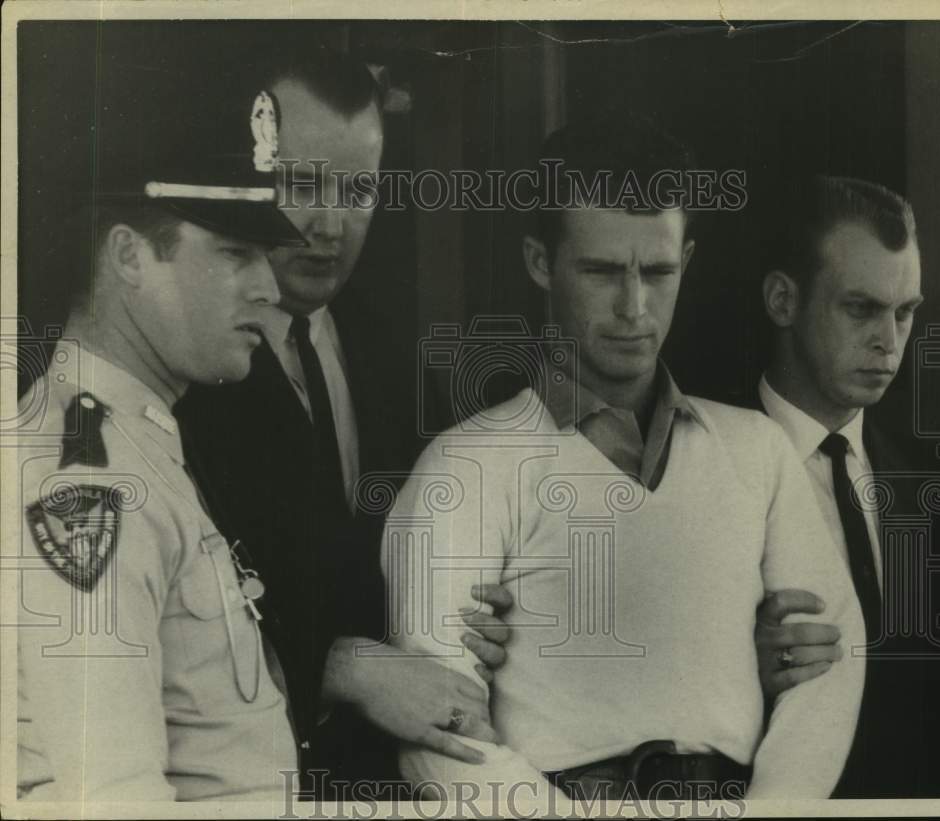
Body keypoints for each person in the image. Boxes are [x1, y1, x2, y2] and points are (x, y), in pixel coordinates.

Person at [379, 117, 866, 803]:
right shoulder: (466, 467)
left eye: (658, 271)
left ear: (686, 261)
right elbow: (440, 737)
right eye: (602, 271)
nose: (634, 307)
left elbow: (832, 666)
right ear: (540, 262)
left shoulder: (758, 449)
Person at [175, 48, 512, 796]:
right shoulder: (185, 361)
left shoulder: (392, 345)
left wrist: (481, 607)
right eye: (301, 184)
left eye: (359, 189)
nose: (330, 224)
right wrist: (339, 663)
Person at [15, 66, 307, 800]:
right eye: (235, 254)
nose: (270, 288)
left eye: (265, 257)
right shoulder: (89, 478)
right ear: (128, 256)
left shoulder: (142, 442)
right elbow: (113, 796)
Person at [750, 174, 940, 797]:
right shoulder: (698, 461)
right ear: (782, 300)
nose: (888, 341)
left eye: (905, 312)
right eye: (860, 308)